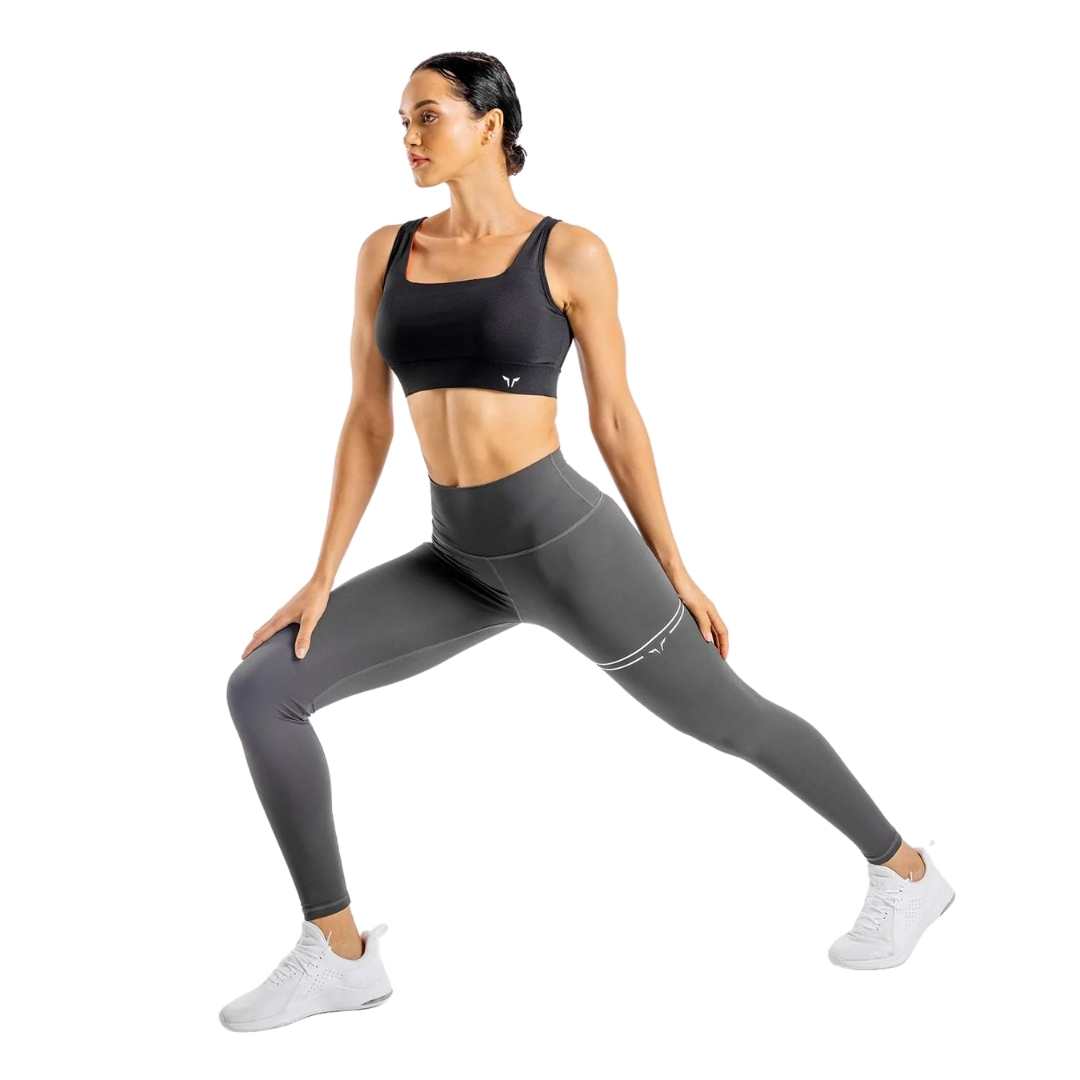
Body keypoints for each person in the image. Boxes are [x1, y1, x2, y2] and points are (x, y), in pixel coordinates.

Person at [219, 51, 955, 1032]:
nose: (409, 137)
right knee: (263, 689)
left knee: (727, 718)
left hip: (567, 547)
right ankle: (339, 952)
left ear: (490, 124)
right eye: (401, 121)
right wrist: (321, 577)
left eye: (428, 116)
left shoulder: (569, 253)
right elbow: (366, 420)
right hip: (459, 561)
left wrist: (674, 566)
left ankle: (907, 872)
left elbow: (614, 418)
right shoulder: (384, 253)